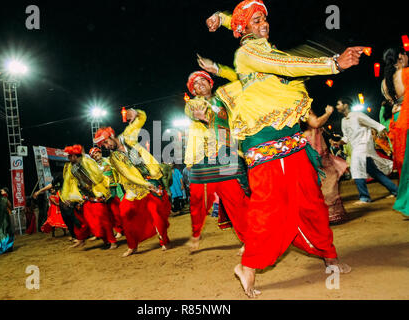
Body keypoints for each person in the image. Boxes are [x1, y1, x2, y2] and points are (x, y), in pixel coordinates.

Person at [206, 0, 360, 297]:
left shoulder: (259, 47)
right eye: (256, 20)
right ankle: (248, 266)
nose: (264, 23)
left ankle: (330, 257)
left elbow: (244, 28)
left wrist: (221, 18)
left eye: (265, 18)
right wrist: (333, 63)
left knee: (311, 198)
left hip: (289, 135)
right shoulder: (249, 51)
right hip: (265, 139)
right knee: (270, 203)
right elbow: (285, 62)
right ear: (244, 29)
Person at [184, 69, 250, 253]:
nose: (199, 85)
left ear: (210, 82)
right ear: (194, 91)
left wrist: (218, 68)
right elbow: (190, 110)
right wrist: (199, 116)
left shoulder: (223, 98)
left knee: (235, 198)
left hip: (225, 153)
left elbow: (240, 81)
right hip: (201, 158)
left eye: (202, 81)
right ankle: (196, 235)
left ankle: (248, 239)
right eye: (195, 85)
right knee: (198, 200)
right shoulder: (194, 103)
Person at [94, 108, 171, 257]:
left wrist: (136, 113)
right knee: (125, 212)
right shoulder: (114, 158)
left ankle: (164, 240)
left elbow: (140, 119)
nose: (105, 146)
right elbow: (128, 175)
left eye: (105, 143)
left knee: (156, 212)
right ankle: (132, 245)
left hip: (152, 178)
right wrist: (145, 185)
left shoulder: (128, 136)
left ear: (111, 136)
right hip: (135, 187)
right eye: (102, 145)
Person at [332, 97, 398, 204]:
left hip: (363, 146)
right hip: (356, 148)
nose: (337, 107)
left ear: (346, 105)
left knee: (356, 168)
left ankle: (364, 197)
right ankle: (396, 190)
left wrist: (383, 132)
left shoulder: (357, 115)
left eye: (338, 104)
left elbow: (374, 124)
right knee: (374, 172)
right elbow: (346, 138)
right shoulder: (343, 121)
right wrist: (338, 143)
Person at [61, 144, 118, 250]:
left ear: (74, 156)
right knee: (91, 221)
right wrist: (68, 196)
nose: (68, 158)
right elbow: (69, 182)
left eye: (70, 156)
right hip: (87, 196)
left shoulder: (87, 161)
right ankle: (104, 240)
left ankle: (112, 241)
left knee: (104, 220)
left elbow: (98, 176)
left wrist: (93, 185)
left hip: (98, 193)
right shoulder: (70, 166)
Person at [302, 106, 349, 224]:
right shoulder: (303, 107)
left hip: (309, 150)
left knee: (317, 183)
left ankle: (320, 215)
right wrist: (328, 113)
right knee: (329, 181)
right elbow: (316, 123)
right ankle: (332, 215)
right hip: (317, 152)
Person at [381, 46, 409, 215]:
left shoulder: (385, 82)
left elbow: (393, 103)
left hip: (397, 119)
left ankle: (404, 200)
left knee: (404, 163)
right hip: (407, 117)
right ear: (400, 55)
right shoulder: (405, 73)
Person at [89, 146, 124, 239]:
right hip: (103, 192)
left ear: (100, 152)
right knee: (110, 213)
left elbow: (117, 171)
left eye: (96, 153)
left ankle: (121, 230)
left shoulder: (108, 160)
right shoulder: (93, 167)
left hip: (114, 188)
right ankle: (117, 230)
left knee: (117, 211)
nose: (95, 155)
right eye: (93, 155)